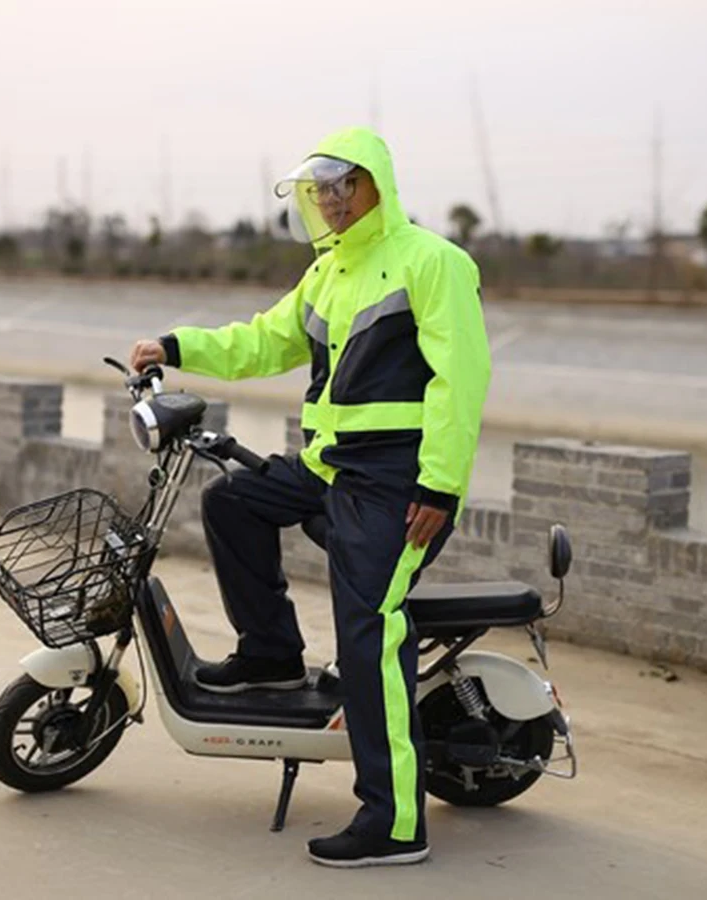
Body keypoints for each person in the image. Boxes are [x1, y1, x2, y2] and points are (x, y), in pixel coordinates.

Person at [131, 127, 491, 868]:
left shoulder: (432, 262)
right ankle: (271, 656)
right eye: (319, 189)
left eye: (341, 185)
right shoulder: (327, 273)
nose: (329, 200)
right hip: (331, 466)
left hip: (397, 481)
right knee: (233, 502)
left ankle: (394, 822)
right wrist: (177, 346)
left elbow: (462, 380)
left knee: (368, 632)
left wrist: (440, 484)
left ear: (376, 184)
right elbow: (265, 341)